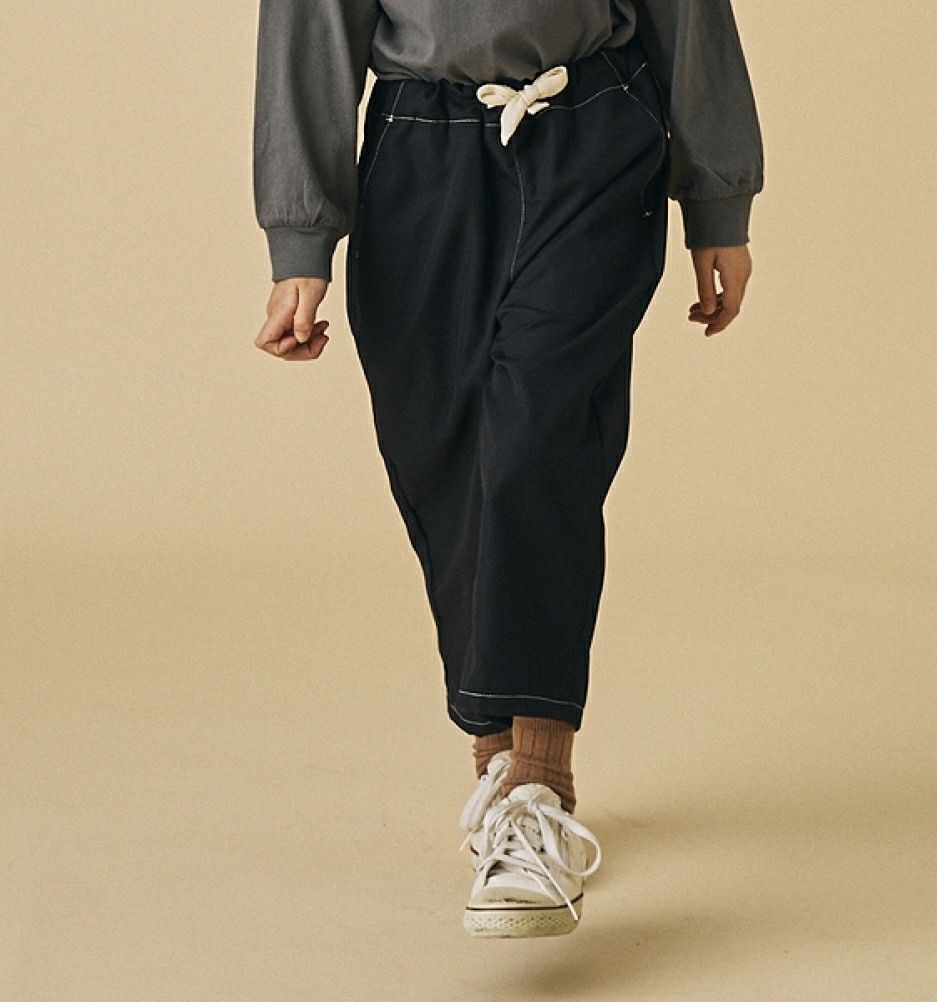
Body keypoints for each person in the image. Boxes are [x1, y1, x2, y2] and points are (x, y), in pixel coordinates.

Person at [251, 0, 764, 939]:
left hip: (596, 130)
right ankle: (500, 774)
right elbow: (310, 22)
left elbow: (687, 12)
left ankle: (540, 781)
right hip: (419, 146)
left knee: (539, 440)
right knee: (441, 454)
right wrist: (301, 235)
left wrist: (716, 198)